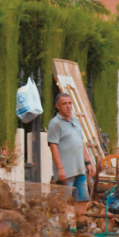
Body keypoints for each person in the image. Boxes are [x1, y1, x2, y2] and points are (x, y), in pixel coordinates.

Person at [47, 92, 96, 226]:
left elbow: (81, 143)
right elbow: (53, 147)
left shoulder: (76, 122)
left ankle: (81, 226)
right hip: (66, 171)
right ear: (58, 106)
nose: (68, 106)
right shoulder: (55, 124)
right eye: (64, 104)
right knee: (63, 201)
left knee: (82, 199)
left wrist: (88, 162)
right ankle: (65, 229)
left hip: (79, 169)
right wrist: (60, 168)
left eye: (70, 103)